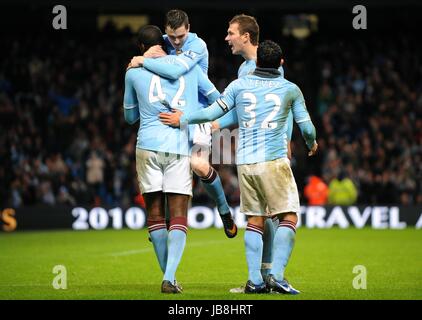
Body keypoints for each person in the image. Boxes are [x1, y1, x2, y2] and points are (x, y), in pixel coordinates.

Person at [159, 40, 318, 294]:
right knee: (288, 216)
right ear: (280, 63)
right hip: (273, 161)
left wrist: (184, 118)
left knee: (255, 220)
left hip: (245, 163)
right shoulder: (290, 89)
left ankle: (254, 281)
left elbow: (211, 113)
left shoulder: (238, 85)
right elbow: (306, 127)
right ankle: (276, 275)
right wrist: (311, 143)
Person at [124, 25, 220, 293]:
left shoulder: (133, 72)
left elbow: (130, 118)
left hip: (147, 145)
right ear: (165, 43)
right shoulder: (187, 68)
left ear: (141, 47)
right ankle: (170, 276)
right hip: (176, 145)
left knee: (155, 215)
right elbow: (215, 99)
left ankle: (168, 276)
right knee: (177, 215)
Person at [129, 9, 237, 239]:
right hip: (168, 117)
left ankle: (224, 210)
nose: (176, 42)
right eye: (172, 37)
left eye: (180, 36)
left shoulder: (197, 45)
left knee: (198, 165)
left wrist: (142, 60)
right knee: (167, 167)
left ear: (188, 28)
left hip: (195, 115)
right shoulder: (163, 44)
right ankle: (161, 221)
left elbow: (176, 69)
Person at [214, 14, 293, 286]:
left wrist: (286, 139)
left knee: (267, 214)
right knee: (263, 214)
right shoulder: (244, 69)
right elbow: (237, 112)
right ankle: (263, 275)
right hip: (253, 149)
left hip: (267, 149)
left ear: (245, 36)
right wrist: (217, 123)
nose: (227, 38)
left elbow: (283, 104)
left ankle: (265, 274)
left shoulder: (266, 65)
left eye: (231, 33)